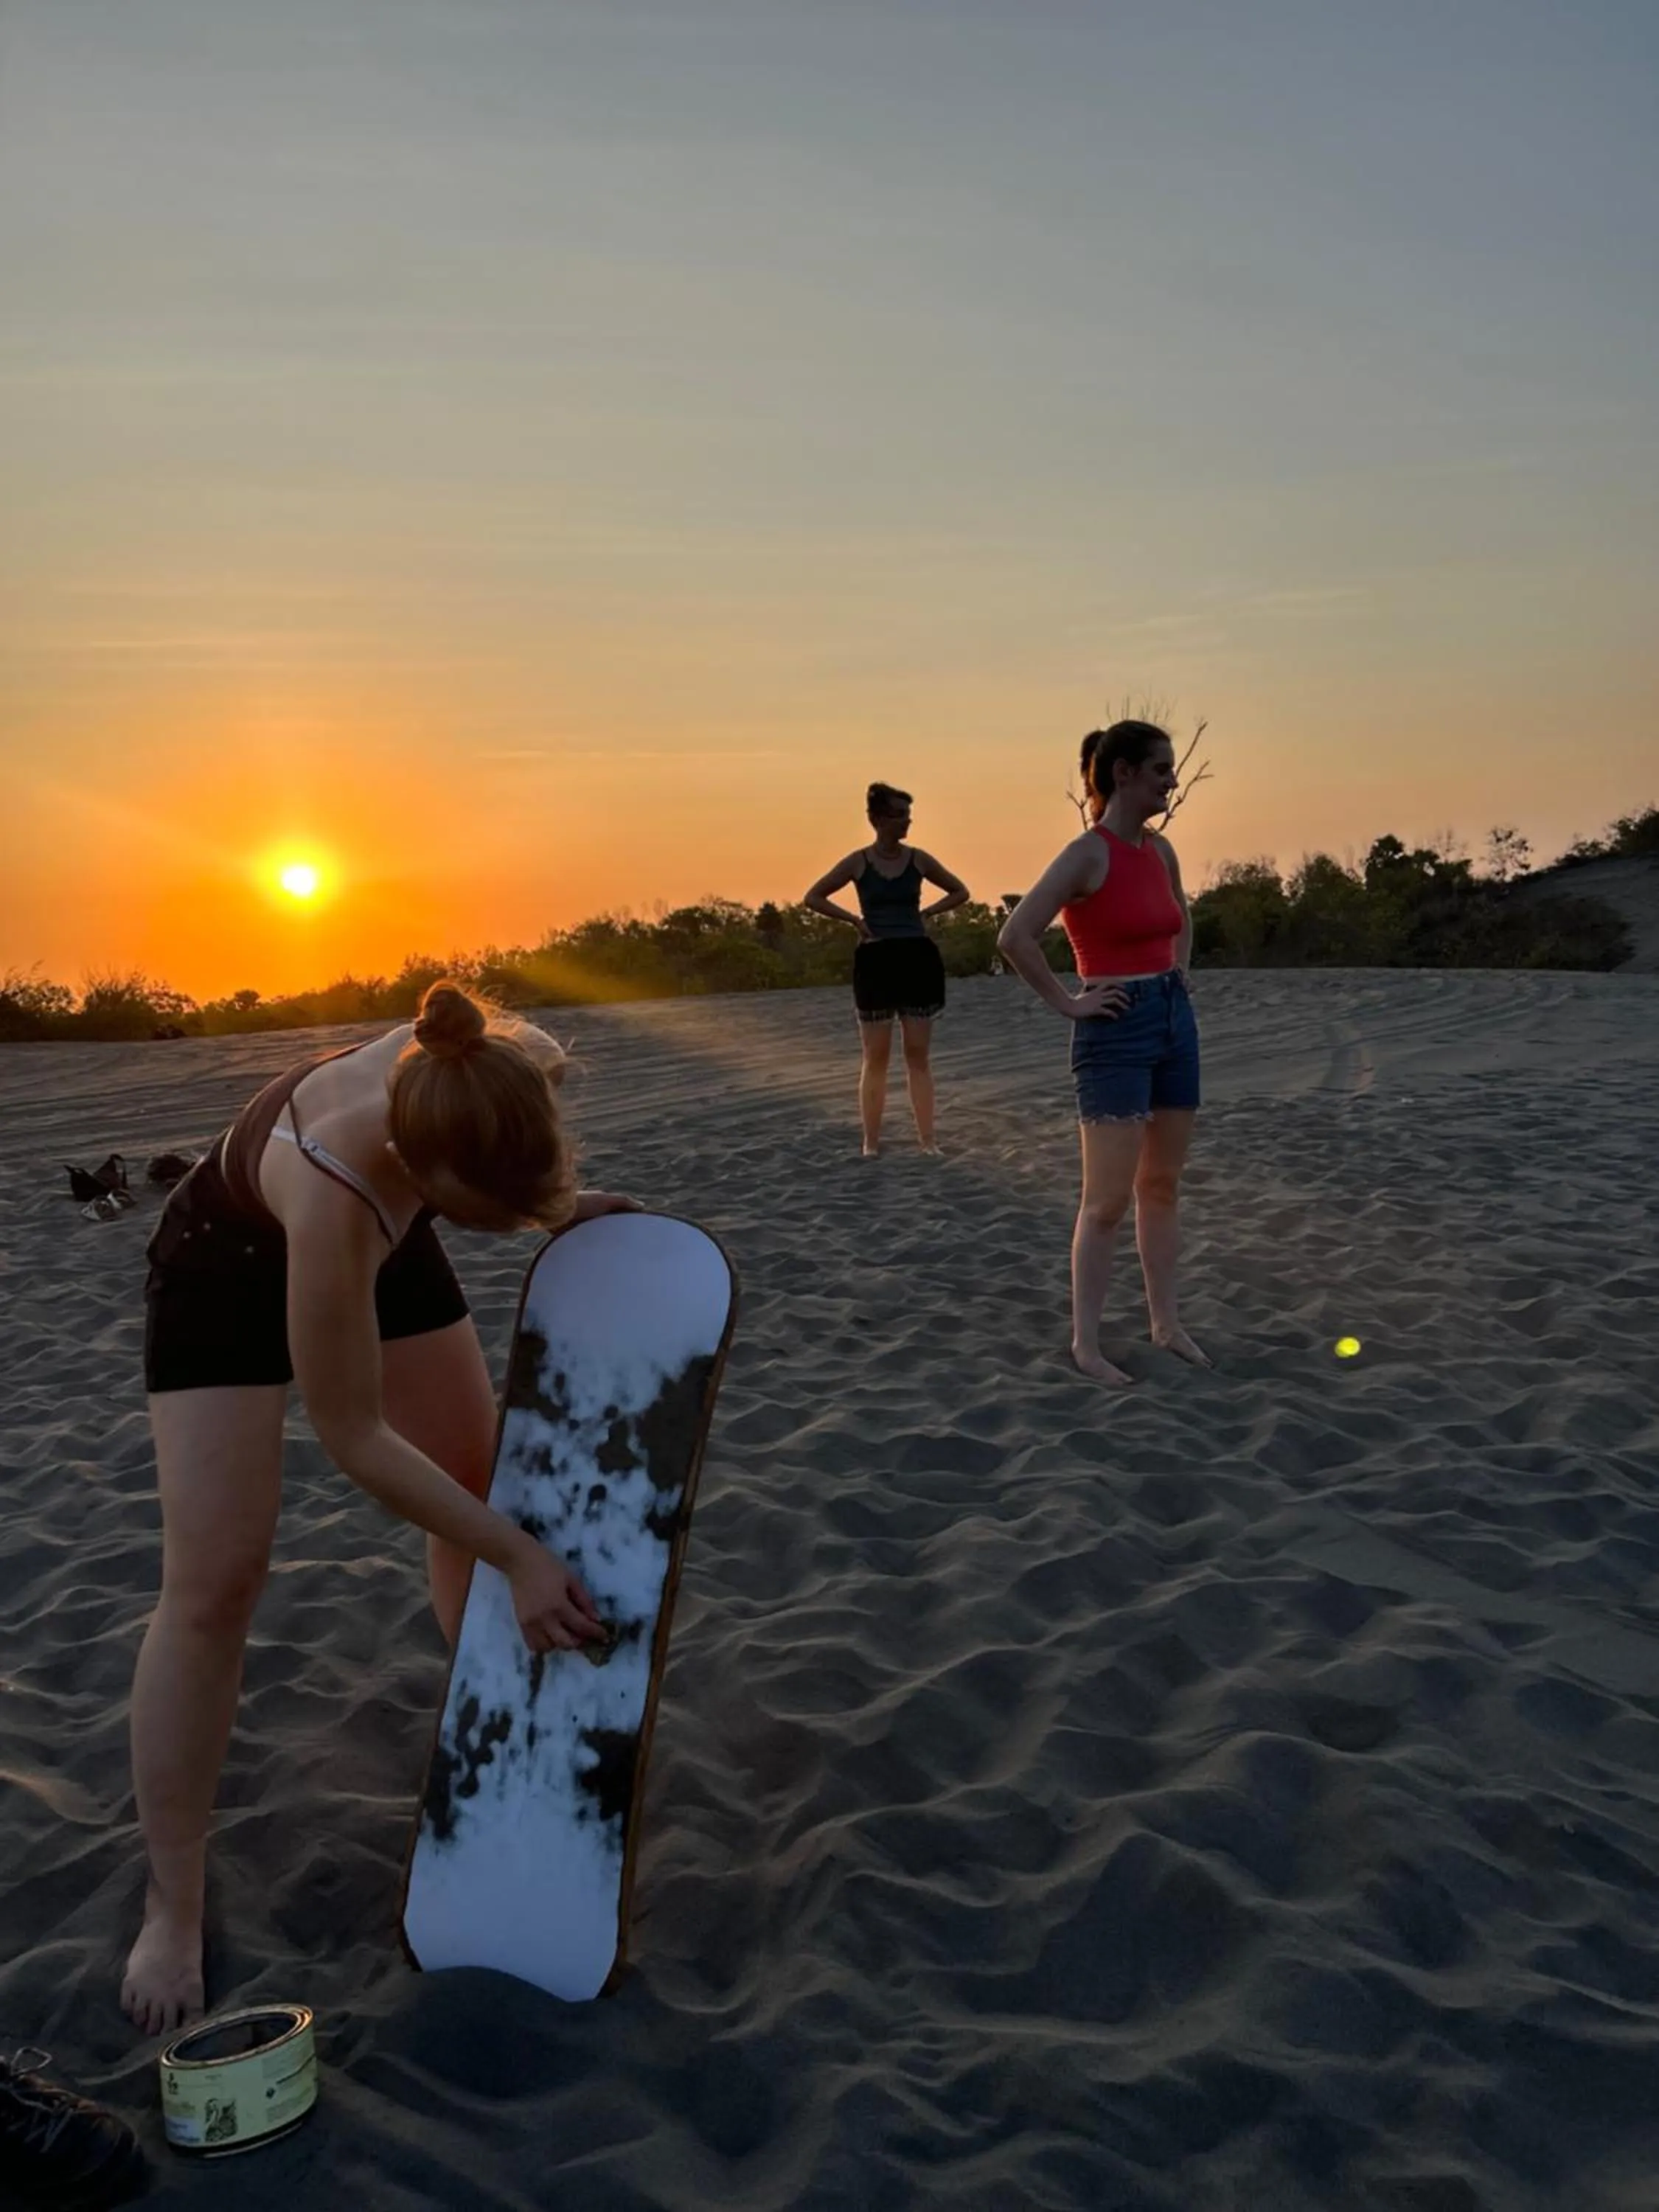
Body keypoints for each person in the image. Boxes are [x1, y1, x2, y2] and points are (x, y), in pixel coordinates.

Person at [122, 981, 633, 2037]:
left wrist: (551, 1201)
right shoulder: (337, 1182)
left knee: (475, 1472)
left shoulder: (499, 1059)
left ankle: (494, 1733)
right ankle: (172, 1903)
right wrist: (520, 1558)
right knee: (216, 1583)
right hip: (232, 1266)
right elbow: (354, 1439)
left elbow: (491, 1158)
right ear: (429, 1172)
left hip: (378, 1231)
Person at [996, 722, 1208, 1383]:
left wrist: (1177, 975)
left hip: (1173, 1021)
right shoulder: (1087, 855)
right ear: (1122, 774)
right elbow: (1016, 935)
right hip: (1113, 1029)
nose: (1171, 782)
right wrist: (1071, 1002)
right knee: (1107, 1201)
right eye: (1161, 770)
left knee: (1162, 1186)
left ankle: (1165, 1323)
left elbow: (1181, 914)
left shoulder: (1161, 849)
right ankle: (1086, 1345)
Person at [802, 782, 970, 1155]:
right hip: (876, 961)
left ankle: (928, 1141)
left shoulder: (919, 859)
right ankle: (871, 1143)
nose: (906, 822)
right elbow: (813, 896)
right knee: (876, 1055)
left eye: (908, 815)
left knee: (917, 1053)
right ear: (876, 820)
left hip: (916, 958)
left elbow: (960, 891)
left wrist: (929, 913)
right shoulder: (858, 862)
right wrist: (853, 920)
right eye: (898, 815)